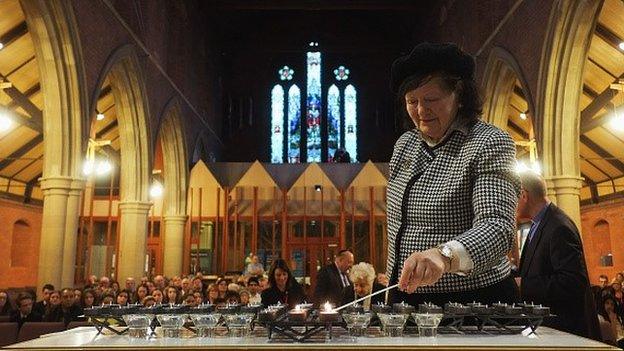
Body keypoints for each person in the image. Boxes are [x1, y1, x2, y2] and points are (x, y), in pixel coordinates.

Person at [386, 42, 520, 306]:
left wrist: (444, 256)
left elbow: (498, 228)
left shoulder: (488, 142)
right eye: (412, 101)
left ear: (459, 95)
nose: (421, 111)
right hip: (406, 298)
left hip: (473, 301)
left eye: (431, 100)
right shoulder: (405, 144)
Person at [517, 171, 600, 339]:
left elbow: (573, 282)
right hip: (548, 330)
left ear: (524, 195)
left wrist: (523, 284)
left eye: (512, 197)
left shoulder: (558, 226)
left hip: (566, 333)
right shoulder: (539, 224)